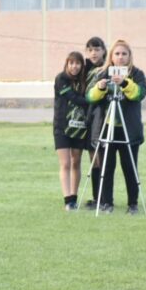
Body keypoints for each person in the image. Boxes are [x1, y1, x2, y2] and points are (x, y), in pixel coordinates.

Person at [86, 39, 146, 214]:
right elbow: (90, 97)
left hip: (128, 129)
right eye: (117, 54)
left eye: (124, 54)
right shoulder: (102, 73)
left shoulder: (137, 74)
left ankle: (133, 204)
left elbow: (140, 94)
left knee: (130, 166)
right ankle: (107, 203)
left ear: (129, 56)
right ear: (111, 56)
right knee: (106, 166)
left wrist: (125, 83)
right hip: (107, 126)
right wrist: (100, 87)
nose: (120, 57)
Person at [52, 51, 89, 211]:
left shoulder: (84, 81)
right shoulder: (61, 79)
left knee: (76, 162)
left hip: (79, 128)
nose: (74, 66)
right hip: (62, 127)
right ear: (67, 64)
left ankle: (74, 197)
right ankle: (67, 200)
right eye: (71, 63)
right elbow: (73, 98)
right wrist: (92, 100)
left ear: (82, 65)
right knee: (65, 163)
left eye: (78, 63)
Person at [83, 36, 107, 210]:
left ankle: (104, 198)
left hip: (102, 117)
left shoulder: (107, 69)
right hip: (89, 117)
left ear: (104, 51)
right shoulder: (86, 69)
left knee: (101, 157)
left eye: (97, 49)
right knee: (92, 157)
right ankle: (96, 197)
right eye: (90, 50)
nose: (94, 53)